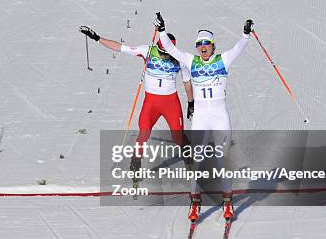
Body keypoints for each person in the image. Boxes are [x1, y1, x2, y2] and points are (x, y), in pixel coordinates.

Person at [154, 13, 253, 222]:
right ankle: (195, 204)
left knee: (222, 160)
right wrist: (162, 30)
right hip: (200, 117)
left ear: (213, 46)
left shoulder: (222, 60)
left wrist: (245, 35)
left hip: (219, 116)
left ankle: (228, 203)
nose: (203, 46)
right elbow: (171, 49)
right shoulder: (191, 61)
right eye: (200, 44)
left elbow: (238, 49)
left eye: (206, 43)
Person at [79, 26, 194, 173]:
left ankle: (188, 157)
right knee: (143, 134)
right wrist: (97, 38)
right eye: (161, 52)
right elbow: (121, 48)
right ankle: (135, 162)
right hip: (151, 102)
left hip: (171, 103)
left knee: (178, 137)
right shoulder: (148, 50)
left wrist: (191, 102)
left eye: (167, 53)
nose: (164, 56)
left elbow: (187, 82)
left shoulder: (180, 59)